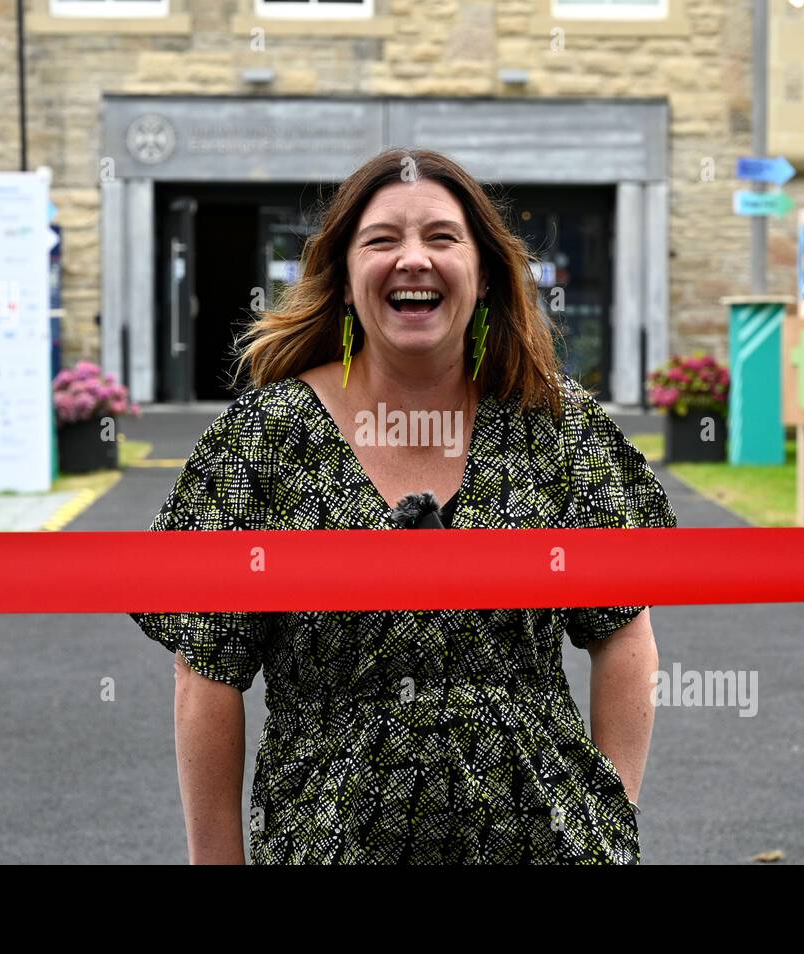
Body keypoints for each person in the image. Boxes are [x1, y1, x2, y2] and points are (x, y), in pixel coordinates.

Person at [130, 148, 678, 864]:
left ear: (482, 276)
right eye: (382, 239)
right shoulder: (263, 440)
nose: (413, 259)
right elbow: (206, 673)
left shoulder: (556, 425)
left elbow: (624, 634)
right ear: (345, 277)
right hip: (325, 846)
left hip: (545, 844)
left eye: (442, 238)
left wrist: (610, 822)